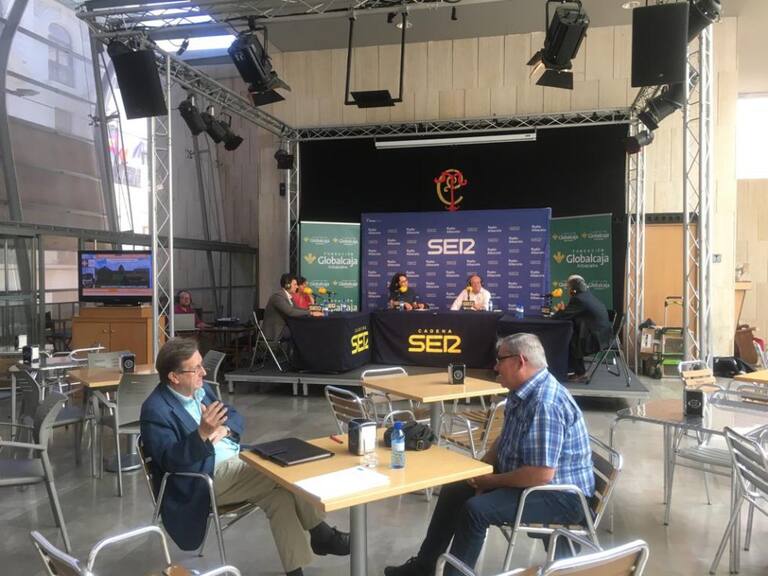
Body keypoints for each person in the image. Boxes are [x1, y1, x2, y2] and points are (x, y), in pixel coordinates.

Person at [384, 333, 594, 576]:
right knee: (455, 489)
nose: (495, 367)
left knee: (476, 511)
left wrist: (491, 481)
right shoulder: (522, 391)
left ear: (520, 361)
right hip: (534, 482)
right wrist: (485, 465)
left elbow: (541, 474)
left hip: (560, 496)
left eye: (500, 360)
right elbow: (506, 438)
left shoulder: (545, 404)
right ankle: (424, 567)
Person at [140, 338, 349, 576]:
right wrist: (201, 434)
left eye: (201, 365)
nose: (204, 372)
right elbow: (169, 460)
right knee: (284, 469)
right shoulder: (156, 410)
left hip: (236, 462)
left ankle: (297, 570)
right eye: (196, 368)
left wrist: (226, 429)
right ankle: (322, 534)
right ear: (174, 377)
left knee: (279, 498)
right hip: (202, 480)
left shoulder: (199, 390)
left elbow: (233, 414)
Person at [552, 275, 612, 381]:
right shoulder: (586, 296)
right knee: (572, 335)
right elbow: (571, 313)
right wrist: (564, 311)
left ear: (574, 290)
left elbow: (563, 316)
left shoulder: (579, 299)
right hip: (603, 334)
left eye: (569, 288)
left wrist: (559, 311)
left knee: (570, 340)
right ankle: (575, 370)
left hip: (596, 338)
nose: (568, 290)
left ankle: (580, 373)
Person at [262, 273, 321, 342]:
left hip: (285, 327)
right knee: (302, 331)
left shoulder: (288, 296)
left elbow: (296, 308)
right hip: (276, 331)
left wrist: (312, 310)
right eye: (295, 285)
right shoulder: (278, 296)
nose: (297, 287)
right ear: (287, 285)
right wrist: (311, 313)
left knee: (303, 329)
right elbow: (290, 312)